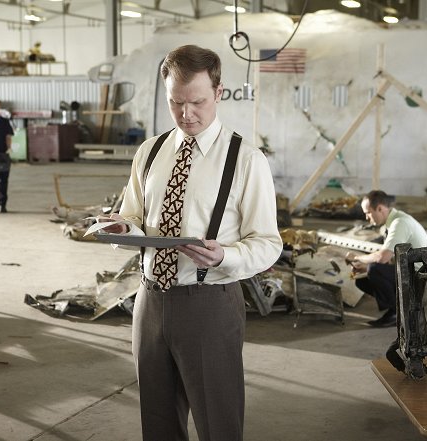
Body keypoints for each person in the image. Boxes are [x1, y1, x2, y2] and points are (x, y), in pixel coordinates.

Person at [99, 45, 282, 441]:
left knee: (218, 423)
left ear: (218, 92)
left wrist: (225, 255)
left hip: (209, 303)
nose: (186, 114)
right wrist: (121, 229)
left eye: (197, 101)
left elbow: (268, 243)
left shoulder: (246, 160)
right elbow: (132, 216)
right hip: (149, 302)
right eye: (175, 102)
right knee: (158, 423)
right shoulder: (150, 152)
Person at [346, 190, 427, 327]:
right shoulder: (393, 222)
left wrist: (357, 258)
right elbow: (392, 258)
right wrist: (364, 267)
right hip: (411, 272)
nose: (367, 218)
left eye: (368, 212)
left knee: (374, 269)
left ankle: (400, 312)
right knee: (361, 280)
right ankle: (396, 308)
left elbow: (382, 257)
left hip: (420, 279)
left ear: (380, 208)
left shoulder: (399, 223)